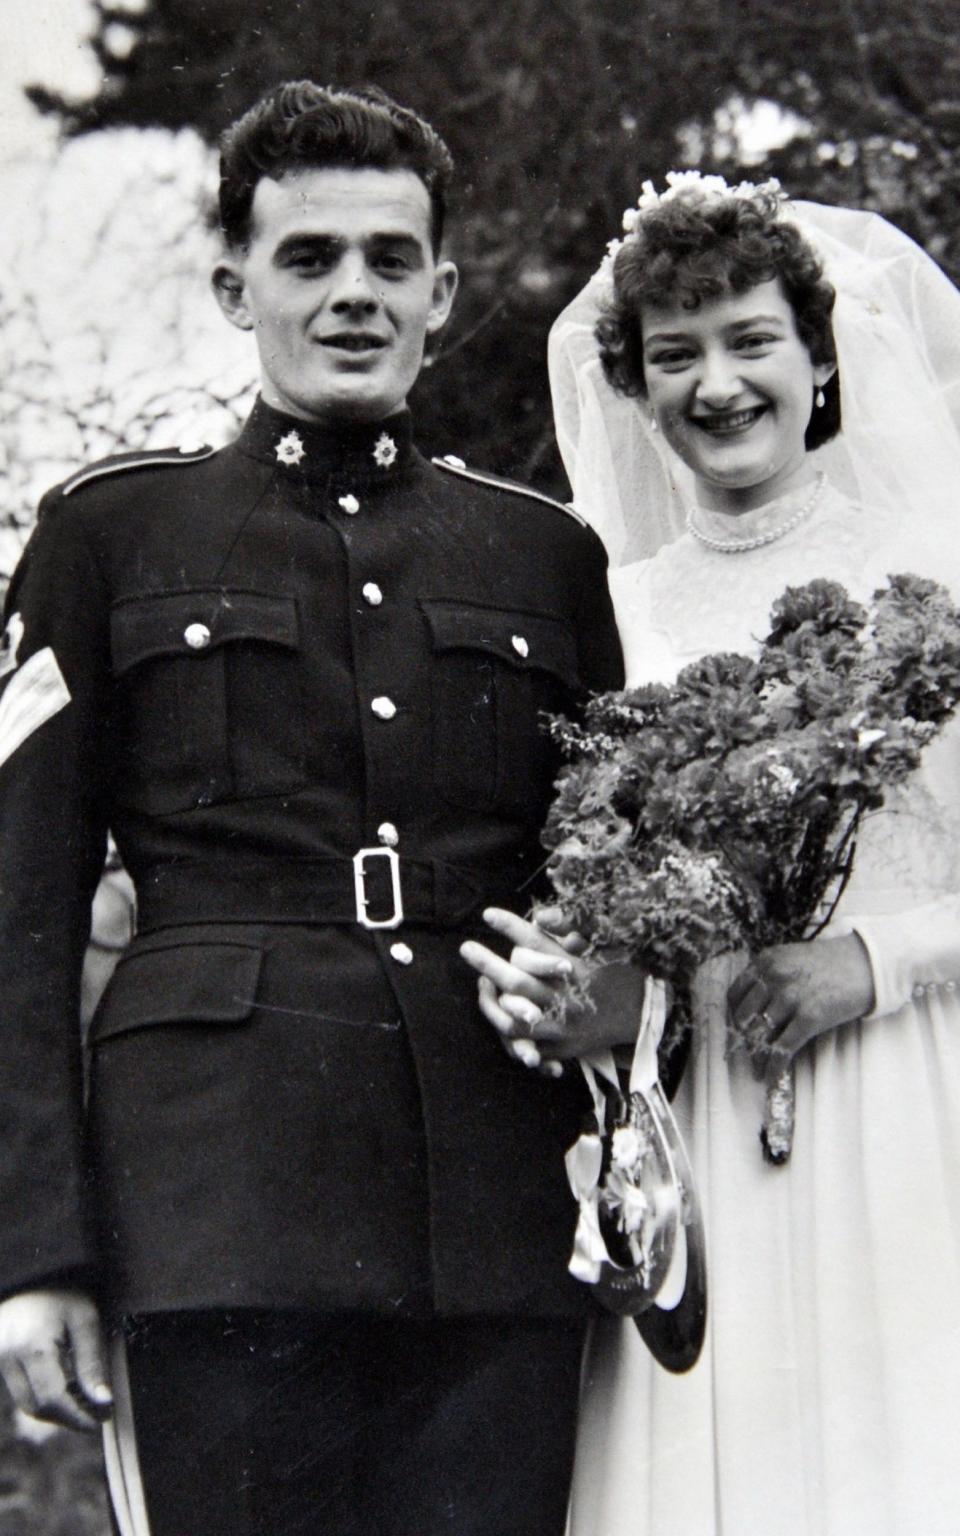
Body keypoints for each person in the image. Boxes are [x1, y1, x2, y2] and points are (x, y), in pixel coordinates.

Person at [0, 82, 623, 1536]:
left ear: (444, 289)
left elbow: (605, 874)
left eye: (391, 260)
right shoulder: (109, 534)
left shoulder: (543, 557)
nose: (355, 294)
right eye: (309, 259)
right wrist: (34, 1253)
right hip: (219, 1206)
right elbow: (18, 915)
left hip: (495, 1204)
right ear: (234, 286)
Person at [462, 177, 960, 1534]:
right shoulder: (611, 607)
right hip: (702, 1111)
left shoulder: (931, 575)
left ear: (819, 359)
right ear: (632, 382)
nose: (719, 384)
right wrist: (594, 989)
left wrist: (875, 962)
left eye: (751, 341)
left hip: (909, 1083)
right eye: (675, 355)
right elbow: (589, 873)